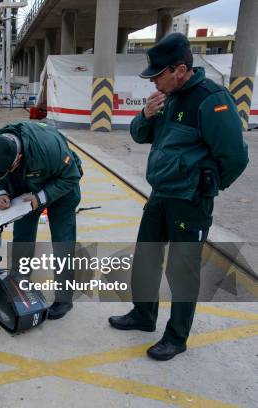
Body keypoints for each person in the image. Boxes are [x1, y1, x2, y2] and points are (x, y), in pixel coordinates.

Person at [108, 33, 249, 361]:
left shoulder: (211, 99)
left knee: (182, 270)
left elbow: (235, 157)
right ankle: (144, 315)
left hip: (190, 201)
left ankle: (177, 336)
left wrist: (205, 188)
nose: (154, 82)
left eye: (158, 75)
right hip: (159, 195)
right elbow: (139, 136)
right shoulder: (166, 97)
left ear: (180, 69)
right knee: (146, 257)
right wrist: (145, 114)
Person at [0, 121, 82, 319]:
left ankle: (64, 299)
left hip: (61, 187)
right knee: (22, 237)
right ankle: (19, 283)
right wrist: (0, 192)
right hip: (25, 192)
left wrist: (42, 198)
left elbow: (72, 176)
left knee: (63, 242)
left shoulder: (49, 147)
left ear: (18, 159)